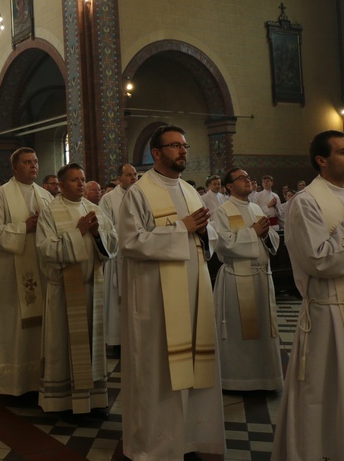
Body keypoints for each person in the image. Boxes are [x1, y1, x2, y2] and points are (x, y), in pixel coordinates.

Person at [118, 125, 224, 460]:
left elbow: (209, 237)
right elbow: (131, 242)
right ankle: (156, 445)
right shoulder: (140, 191)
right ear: (156, 152)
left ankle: (189, 438)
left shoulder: (191, 192)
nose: (182, 151)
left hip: (194, 294)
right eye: (175, 145)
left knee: (193, 365)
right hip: (156, 301)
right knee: (159, 371)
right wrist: (183, 228)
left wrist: (205, 233)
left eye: (184, 145)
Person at [272, 130, 344, 461]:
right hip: (330, 315)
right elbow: (317, 260)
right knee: (327, 397)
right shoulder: (307, 202)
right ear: (321, 160)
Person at [36, 163, 117, 416]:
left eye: (83, 179)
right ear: (61, 186)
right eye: (74, 180)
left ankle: (92, 400)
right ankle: (63, 403)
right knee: (63, 346)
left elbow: (112, 243)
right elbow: (45, 249)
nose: (81, 184)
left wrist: (96, 235)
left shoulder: (94, 209)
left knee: (92, 345)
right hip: (64, 292)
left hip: (93, 288)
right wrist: (79, 231)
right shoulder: (50, 212)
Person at [0, 147, 53, 395]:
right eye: (26, 162)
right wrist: (23, 228)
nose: (33, 165)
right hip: (12, 274)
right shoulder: (1, 195)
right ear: (14, 168)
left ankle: (39, 381)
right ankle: (12, 385)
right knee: (14, 327)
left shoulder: (45, 196)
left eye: (35, 161)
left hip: (42, 270)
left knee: (40, 329)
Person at [214, 168, 283, 391]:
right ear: (229, 186)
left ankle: (265, 379)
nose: (247, 181)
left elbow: (273, 237)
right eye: (241, 178)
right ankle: (238, 380)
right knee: (238, 332)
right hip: (236, 277)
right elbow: (223, 244)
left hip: (262, 277)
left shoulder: (255, 208)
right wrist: (252, 232)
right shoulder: (223, 211)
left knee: (264, 329)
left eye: (248, 178)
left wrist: (264, 234)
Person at [98, 163, 138, 352]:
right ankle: (116, 340)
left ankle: (135, 338)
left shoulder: (141, 195)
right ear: (119, 178)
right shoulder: (108, 198)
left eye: (135, 175)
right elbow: (104, 226)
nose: (133, 178)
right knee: (116, 300)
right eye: (129, 175)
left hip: (137, 254)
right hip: (117, 255)